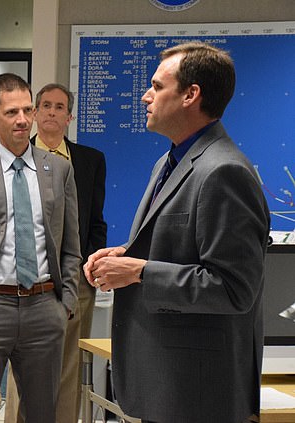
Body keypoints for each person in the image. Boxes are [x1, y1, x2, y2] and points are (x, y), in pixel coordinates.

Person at [83, 42, 270, 423]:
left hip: (198, 394)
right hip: (169, 384)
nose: (144, 95)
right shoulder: (169, 162)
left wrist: (139, 272)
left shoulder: (224, 171)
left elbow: (234, 288)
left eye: (156, 86)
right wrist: (124, 255)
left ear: (191, 95)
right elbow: (178, 247)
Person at [0, 73, 81, 423]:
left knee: (41, 414)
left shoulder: (60, 170)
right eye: (11, 112)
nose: (22, 120)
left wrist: (64, 304)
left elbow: (70, 246)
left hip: (43, 308)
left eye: (27, 110)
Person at [4, 83, 107, 423]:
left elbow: (95, 222)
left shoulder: (91, 161)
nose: (51, 111)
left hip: (74, 282)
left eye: (59, 107)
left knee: (68, 368)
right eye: (44, 105)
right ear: (34, 114)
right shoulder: (13, 156)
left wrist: (86, 266)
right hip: (26, 281)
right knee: (24, 366)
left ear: (69, 116)